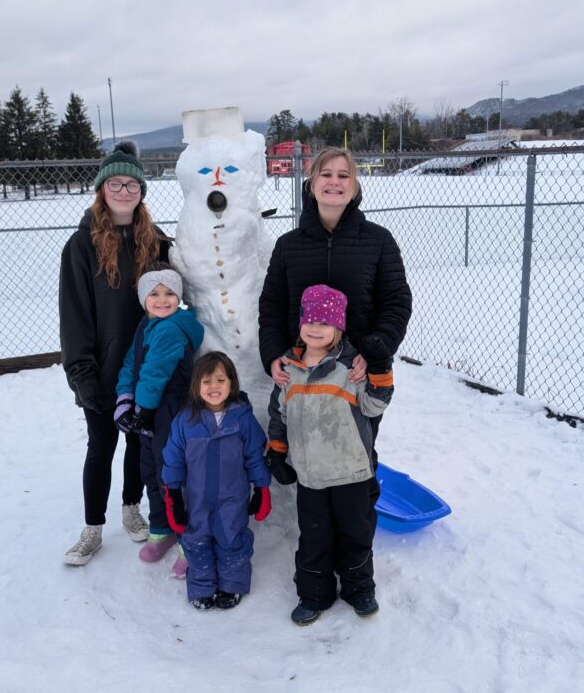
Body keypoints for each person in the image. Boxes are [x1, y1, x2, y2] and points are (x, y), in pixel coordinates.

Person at [258, 147, 412, 462]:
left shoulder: (378, 241)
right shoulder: (288, 246)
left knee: (357, 457)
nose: (334, 182)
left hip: (356, 374)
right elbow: (272, 305)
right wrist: (273, 354)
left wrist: (375, 353)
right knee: (309, 458)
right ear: (311, 184)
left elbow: (396, 301)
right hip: (304, 375)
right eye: (325, 174)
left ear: (354, 186)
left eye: (344, 175)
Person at [60, 140, 169, 566]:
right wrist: (82, 373)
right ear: (102, 188)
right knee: (101, 443)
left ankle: (130, 507)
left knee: (139, 443)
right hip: (102, 368)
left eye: (132, 184)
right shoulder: (81, 245)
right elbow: (74, 315)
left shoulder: (155, 241)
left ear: (142, 190)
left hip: (143, 366)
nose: (124, 191)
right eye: (115, 183)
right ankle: (92, 528)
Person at [265, 285, 394, 626]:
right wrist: (277, 452)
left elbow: (374, 404)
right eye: (311, 319)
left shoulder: (351, 368)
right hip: (310, 476)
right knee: (314, 537)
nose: (316, 327)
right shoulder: (288, 370)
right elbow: (279, 414)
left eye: (326, 321)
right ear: (301, 323)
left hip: (352, 472)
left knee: (356, 532)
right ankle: (314, 594)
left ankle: (359, 588)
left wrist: (379, 366)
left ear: (339, 327)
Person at [162, 352, 272, 610]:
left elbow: (255, 456)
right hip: (197, 500)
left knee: (232, 541)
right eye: (206, 381)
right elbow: (172, 460)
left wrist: (262, 489)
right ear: (196, 386)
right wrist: (173, 496)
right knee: (196, 542)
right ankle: (201, 587)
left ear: (232, 384)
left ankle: (232, 585)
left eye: (220, 380)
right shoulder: (185, 421)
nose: (214, 387)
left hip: (232, 499)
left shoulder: (242, 419)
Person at [113, 266, 203, 574]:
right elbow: (131, 364)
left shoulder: (171, 328)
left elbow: (156, 372)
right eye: (154, 294)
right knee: (150, 469)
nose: (162, 300)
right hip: (149, 407)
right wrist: (125, 397)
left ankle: (188, 540)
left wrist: (142, 409)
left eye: (169, 294)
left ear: (179, 298)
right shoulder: (146, 325)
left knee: (173, 472)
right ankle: (161, 527)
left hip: (170, 409)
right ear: (143, 299)